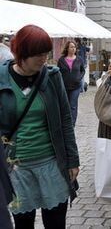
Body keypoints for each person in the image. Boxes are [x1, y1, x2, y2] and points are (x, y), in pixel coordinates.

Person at [0, 24, 80, 228]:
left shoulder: (52, 77)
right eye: (38, 55)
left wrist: (72, 160)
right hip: (17, 169)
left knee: (55, 223)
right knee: (23, 223)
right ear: (22, 53)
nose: (44, 59)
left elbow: (65, 120)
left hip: (51, 164)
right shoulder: (2, 81)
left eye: (46, 53)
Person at [57, 41, 85, 127]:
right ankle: (65, 121)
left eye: (74, 47)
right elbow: (58, 72)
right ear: (67, 48)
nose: (73, 49)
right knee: (65, 104)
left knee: (73, 104)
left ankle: (72, 123)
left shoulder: (79, 59)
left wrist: (79, 78)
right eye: (71, 47)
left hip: (76, 86)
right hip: (64, 86)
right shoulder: (61, 60)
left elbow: (82, 70)